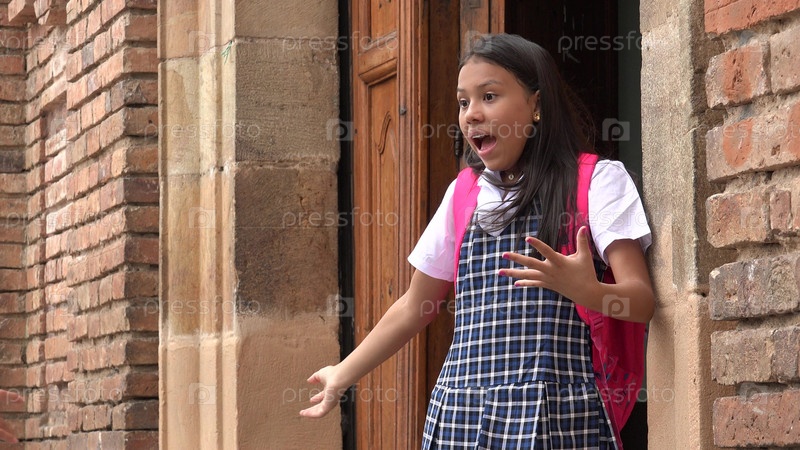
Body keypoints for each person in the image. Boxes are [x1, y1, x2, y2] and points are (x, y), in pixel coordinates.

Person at [301, 33, 654, 449]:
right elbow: (415, 306)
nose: (471, 114)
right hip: (460, 414)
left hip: (554, 417)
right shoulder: (464, 193)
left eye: (489, 96)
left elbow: (642, 301)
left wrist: (589, 291)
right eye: (463, 102)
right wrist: (343, 373)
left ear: (536, 104)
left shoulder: (596, 182)